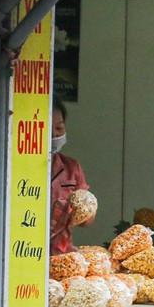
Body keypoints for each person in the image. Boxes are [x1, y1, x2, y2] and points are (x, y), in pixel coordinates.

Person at [49, 102, 95, 255]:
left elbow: (87, 221)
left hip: (61, 254)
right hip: (24, 253)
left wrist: (82, 210)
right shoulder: (16, 166)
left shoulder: (71, 167)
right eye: (47, 127)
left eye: (59, 128)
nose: (54, 135)